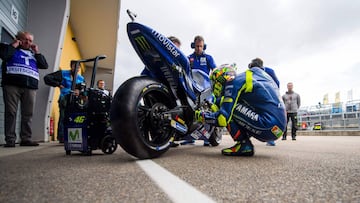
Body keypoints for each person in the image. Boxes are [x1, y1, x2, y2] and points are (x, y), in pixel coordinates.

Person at [194, 59, 286, 156]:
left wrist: (201, 116)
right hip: (279, 126)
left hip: (269, 125)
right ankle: (245, 142)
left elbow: (222, 119)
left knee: (224, 105)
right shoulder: (258, 75)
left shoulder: (233, 82)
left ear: (220, 79)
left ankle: (244, 145)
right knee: (233, 103)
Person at [0, 31, 48, 147]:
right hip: (12, 84)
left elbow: (44, 65)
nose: (28, 42)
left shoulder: (33, 54)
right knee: (11, 112)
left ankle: (26, 138)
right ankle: (10, 139)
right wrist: (13, 45)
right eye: (25, 39)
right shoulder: (8, 47)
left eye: (30, 40)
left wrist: (37, 52)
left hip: (30, 86)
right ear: (18, 39)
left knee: (28, 113)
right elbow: (4, 56)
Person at [182, 35, 217, 146]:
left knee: (207, 110)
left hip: (205, 88)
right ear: (193, 45)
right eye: (197, 46)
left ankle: (207, 138)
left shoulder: (208, 58)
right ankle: (189, 138)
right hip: (193, 88)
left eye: (201, 46)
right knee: (190, 110)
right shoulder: (188, 58)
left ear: (204, 46)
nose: (198, 48)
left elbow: (215, 71)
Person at [44, 60, 85, 143]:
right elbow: (47, 78)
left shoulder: (81, 78)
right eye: (74, 66)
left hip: (76, 100)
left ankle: (73, 136)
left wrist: (80, 92)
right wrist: (58, 84)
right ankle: (62, 137)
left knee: (76, 118)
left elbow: (84, 89)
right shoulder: (63, 73)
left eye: (78, 67)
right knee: (64, 117)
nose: (76, 68)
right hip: (65, 98)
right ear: (71, 66)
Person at [263, 65, 280, 146]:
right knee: (271, 118)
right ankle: (271, 139)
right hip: (270, 97)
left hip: (267, 96)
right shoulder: (269, 70)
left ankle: (271, 139)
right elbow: (277, 83)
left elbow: (277, 82)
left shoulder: (268, 70)